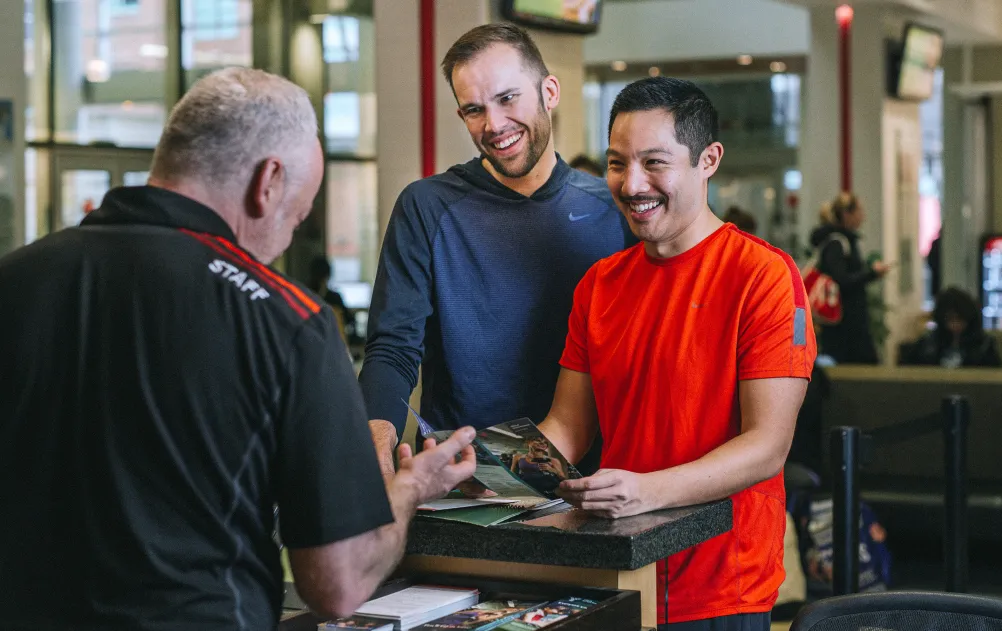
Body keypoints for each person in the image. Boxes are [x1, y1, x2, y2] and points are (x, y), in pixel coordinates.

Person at [0, 68, 477, 631]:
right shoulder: (288, 321)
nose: (283, 242)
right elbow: (337, 583)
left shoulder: (16, 278)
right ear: (268, 181)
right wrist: (410, 489)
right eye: (297, 218)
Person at [540, 77, 815, 631]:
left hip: (720, 589)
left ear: (708, 160)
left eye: (654, 163)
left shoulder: (763, 277)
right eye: (617, 164)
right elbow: (568, 428)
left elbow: (767, 446)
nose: (631, 183)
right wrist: (486, 471)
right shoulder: (599, 285)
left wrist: (644, 490)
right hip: (619, 573)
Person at [359, 23, 630, 475]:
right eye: (473, 110)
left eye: (508, 98)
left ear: (550, 91)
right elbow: (393, 347)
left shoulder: (613, 211)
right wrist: (374, 446)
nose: (494, 125)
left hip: (590, 481)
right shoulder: (427, 206)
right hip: (462, 479)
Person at [809, 194, 890, 364]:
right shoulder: (837, 243)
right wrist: (871, 274)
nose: (863, 216)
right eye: (859, 211)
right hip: (845, 322)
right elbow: (841, 280)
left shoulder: (843, 241)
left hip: (845, 321)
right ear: (847, 214)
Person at [898, 287, 1002, 368]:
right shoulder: (928, 345)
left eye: (959, 319)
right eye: (950, 320)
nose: (955, 325)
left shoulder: (984, 346)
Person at [310, 254, 350, 342]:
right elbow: (348, 319)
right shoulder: (335, 298)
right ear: (328, 275)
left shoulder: (304, 295)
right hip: (333, 342)